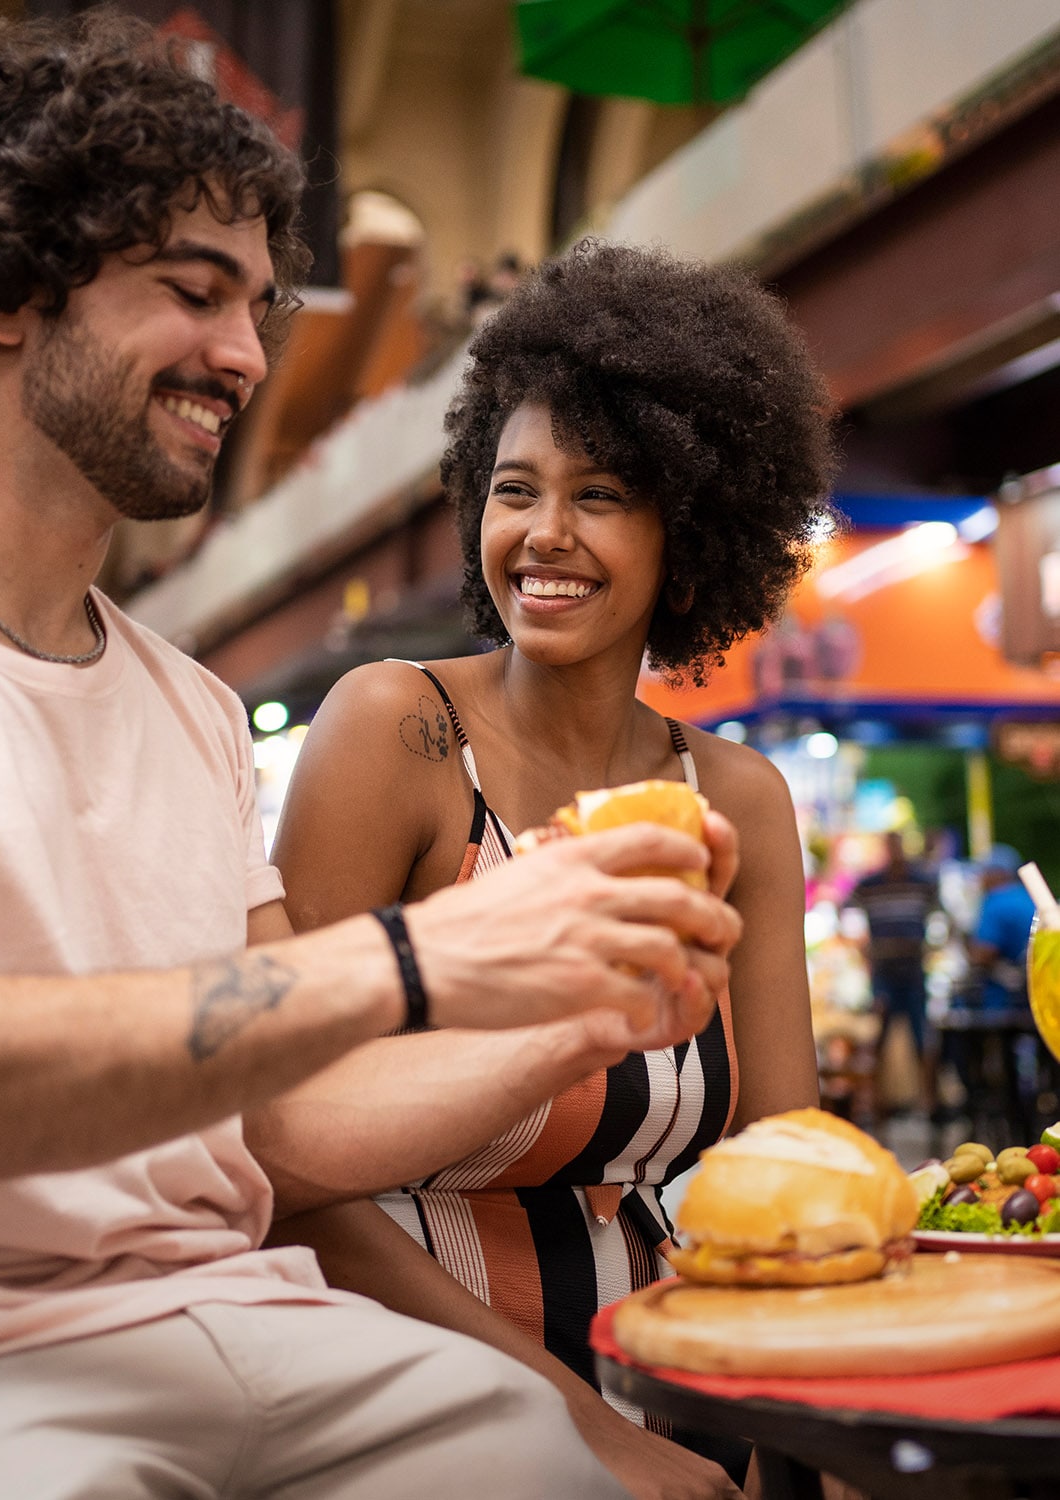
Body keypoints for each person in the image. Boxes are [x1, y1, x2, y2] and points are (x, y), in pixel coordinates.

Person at [0, 20, 747, 1500]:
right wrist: (424, 956)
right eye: (193, 292)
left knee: (565, 1475)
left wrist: (583, 1004)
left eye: (260, 303)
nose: (248, 355)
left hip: (228, 1323)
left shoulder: (185, 705)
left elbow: (276, 1130)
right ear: (4, 288)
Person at [248, 243, 834, 1499]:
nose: (545, 535)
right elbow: (287, 1173)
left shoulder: (737, 801)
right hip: (413, 1393)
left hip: (684, 1382)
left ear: (693, 526)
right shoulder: (395, 736)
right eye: (515, 489)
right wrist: (587, 1432)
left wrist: (815, 1422)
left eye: (604, 493)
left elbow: (782, 1153)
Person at [844, 829, 942, 1111]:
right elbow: (847, 913)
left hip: (913, 972)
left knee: (923, 1037)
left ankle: (929, 1102)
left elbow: (940, 919)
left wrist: (929, 946)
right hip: (884, 973)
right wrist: (862, 948)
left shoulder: (923, 883)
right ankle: (877, 1106)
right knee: (877, 1039)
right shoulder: (869, 885)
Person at [968, 844, 1036, 1012]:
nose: (981, 878)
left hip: (1008, 999)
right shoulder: (1026, 896)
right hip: (1035, 992)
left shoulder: (995, 902)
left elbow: (983, 954)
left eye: (984, 872)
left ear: (998, 874)